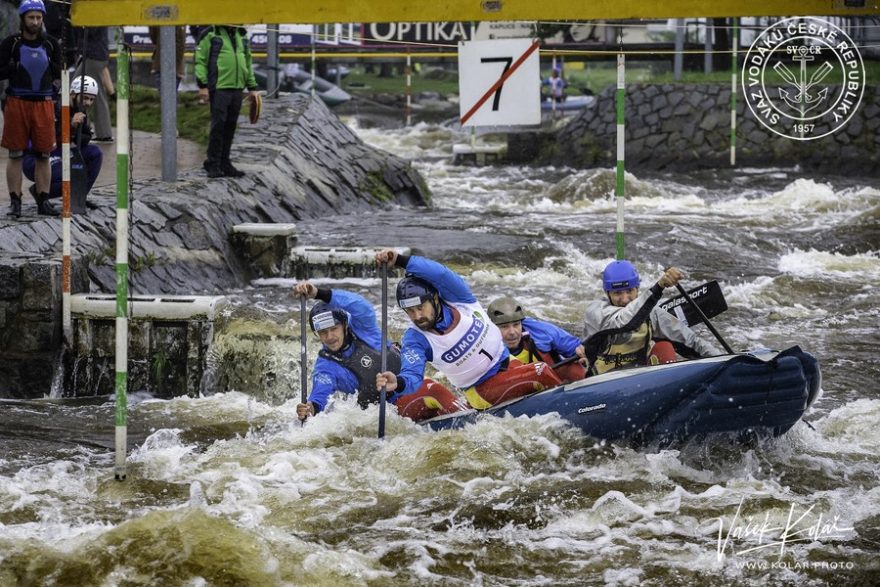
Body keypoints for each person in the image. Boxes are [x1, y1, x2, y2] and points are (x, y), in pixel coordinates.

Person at [374, 250, 563, 411]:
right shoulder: (416, 338)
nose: (417, 316)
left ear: (435, 299)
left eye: (420, 308)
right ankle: (567, 413)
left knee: (561, 367)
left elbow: (440, 274)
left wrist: (400, 260)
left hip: (509, 364)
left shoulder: (459, 298)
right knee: (540, 371)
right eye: (410, 311)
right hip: (482, 389)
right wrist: (399, 382)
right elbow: (412, 374)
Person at [293, 281, 465, 424]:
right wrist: (310, 408)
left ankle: (464, 415)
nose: (329, 337)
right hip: (389, 411)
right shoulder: (326, 366)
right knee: (433, 391)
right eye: (322, 332)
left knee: (430, 390)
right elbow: (319, 395)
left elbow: (360, 305)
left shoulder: (364, 329)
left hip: (408, 385)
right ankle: (469, 420)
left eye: (333, 329)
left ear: (345, 325)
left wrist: (319, 293)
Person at [581, 261, 721, 375]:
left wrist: (725, 362)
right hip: (600, 385)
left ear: (637, 288)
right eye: (617, 293)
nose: (624, 299)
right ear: (607, 293)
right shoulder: (596, 312)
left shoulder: (651, 313)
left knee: (664, 347)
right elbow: (626, 321)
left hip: (641, 384)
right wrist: (659, 287)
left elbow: (692, 342)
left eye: (629, 291)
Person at [0, 0, 61, 218]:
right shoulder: (11, 43)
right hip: (17, 102)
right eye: (31, 18)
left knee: (44, 153)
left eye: (38, 18)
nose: (35, 22)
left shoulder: (51, 44)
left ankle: (43, 201)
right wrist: (11, 68)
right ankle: (15, 201)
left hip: (44, 103)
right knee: (15, 153)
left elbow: (58, 72)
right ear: (22, 19)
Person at [22, 74, 103, 203]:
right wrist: (70, 124)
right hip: (37, 156)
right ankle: (40, 192)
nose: (88, 103)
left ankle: (79, 196)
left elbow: (84, 140)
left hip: (60, 151)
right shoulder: (55, 107)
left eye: (91, 99)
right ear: (73, 94)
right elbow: (47, 137)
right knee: (71, 176)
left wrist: (80, 128)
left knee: (95, 153)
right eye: (85, 98)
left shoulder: (81, 110)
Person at [194, 25, 259, 179]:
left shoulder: (242, 36)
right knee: (218, 125)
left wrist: (252, 87)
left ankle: (224, 162)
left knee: (230, 126)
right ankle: (213, 163)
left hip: (237, 88)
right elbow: (200, 60)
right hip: (219, 87)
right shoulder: (210, 33)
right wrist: (202, 85)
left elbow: (247, 63)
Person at [487, 296, 587, 383]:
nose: (512, 332)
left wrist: (582, 353)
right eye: (504, 327)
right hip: (514, 394)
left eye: (516, 325)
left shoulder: (540, 331)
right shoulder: (485, 347)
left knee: (575, 368)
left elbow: (575, 346)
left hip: (553, 387)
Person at [72, 27, 113, 142]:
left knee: (76, 89)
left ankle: (84, 128)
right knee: (95, 92)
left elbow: (89, 31)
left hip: (93, 55)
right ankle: (101, 132)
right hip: (96, 55)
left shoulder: (92, 13)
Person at [149, 25, 186, 90]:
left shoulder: (177, 23)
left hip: (164, 65)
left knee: (168, 95)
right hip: (166, 66)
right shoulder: (178, 22)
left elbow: (154, 38)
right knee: (169, 95)